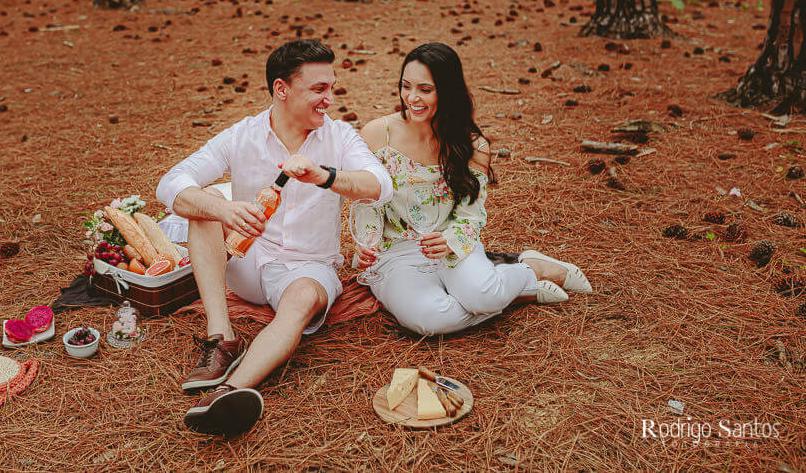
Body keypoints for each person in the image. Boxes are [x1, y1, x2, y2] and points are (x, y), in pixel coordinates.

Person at [157, 39, 392, 437]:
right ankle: (222, 338)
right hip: (250, 260)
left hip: (308, 269)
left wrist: (325, 175)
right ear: (282, 89)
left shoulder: (340, 137)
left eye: (331, 88)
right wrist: (224, 210)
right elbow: (171, 183)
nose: (329, 99)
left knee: (300, 299)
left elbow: (380, 184)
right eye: (319, 89)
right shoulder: (243, 135)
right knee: (205, 203)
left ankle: (229, 393)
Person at [356, 42, 592, 336]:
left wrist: (450, 241)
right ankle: (523, 290)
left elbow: (471, 215)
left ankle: (530, 269)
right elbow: (367, 201)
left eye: (425, 90)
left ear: (448, 90)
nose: (412, 98)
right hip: (396, 252)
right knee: (431, 321)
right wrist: (367, 242)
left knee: (486, 297)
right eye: (406, 86)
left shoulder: (472, 145)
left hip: (450, 244)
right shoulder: (378, 134)